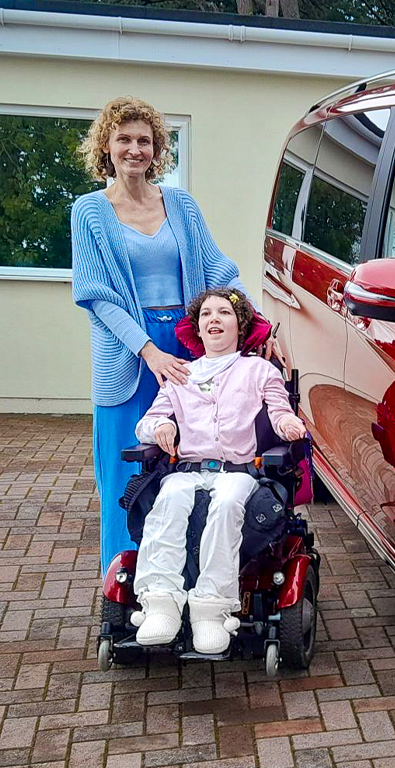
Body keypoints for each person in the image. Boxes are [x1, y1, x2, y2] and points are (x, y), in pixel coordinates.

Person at [70, 96, 274, 575]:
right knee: (127, 472)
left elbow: (218, 271)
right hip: (126, 351)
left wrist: (257, 323)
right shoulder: (89, 211)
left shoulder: (180, 204)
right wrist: (148, 351)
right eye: (124, 139)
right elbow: (98, 296)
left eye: (144, 140)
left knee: (191, 463)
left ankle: (184, 579)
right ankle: (125, 580)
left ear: (157, 148)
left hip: (186, 345)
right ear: (106, 146)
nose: (134, 149)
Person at [130, 288, 307, 653]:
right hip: (187, 469)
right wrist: (161, 426)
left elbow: (279, 409)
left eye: (224, 313)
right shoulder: (182, 374)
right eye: (206, 314)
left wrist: (288, 423)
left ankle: (210, 609)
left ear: (240, 326)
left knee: (226, 504)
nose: (214, 319)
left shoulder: (258, 370)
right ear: (198, 328)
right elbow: (146, 423)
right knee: (169, 501)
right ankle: (161, 604)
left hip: (238, 471)